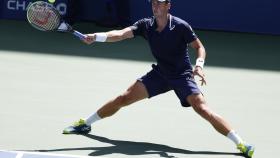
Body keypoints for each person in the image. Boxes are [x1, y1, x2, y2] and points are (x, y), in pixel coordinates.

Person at [62, 0, 255, 157]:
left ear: (168, 5)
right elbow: (120, 34)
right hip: (161, 74)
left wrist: (199, 65)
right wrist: (97, 36)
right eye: (153, 3)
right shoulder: (146, 25)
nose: (155, 6)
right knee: (123, 98)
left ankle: (241, 143)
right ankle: (84, 123)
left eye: (159, 3)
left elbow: (199, 47)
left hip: (182, 76)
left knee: (202, 109)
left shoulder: (180, 26)